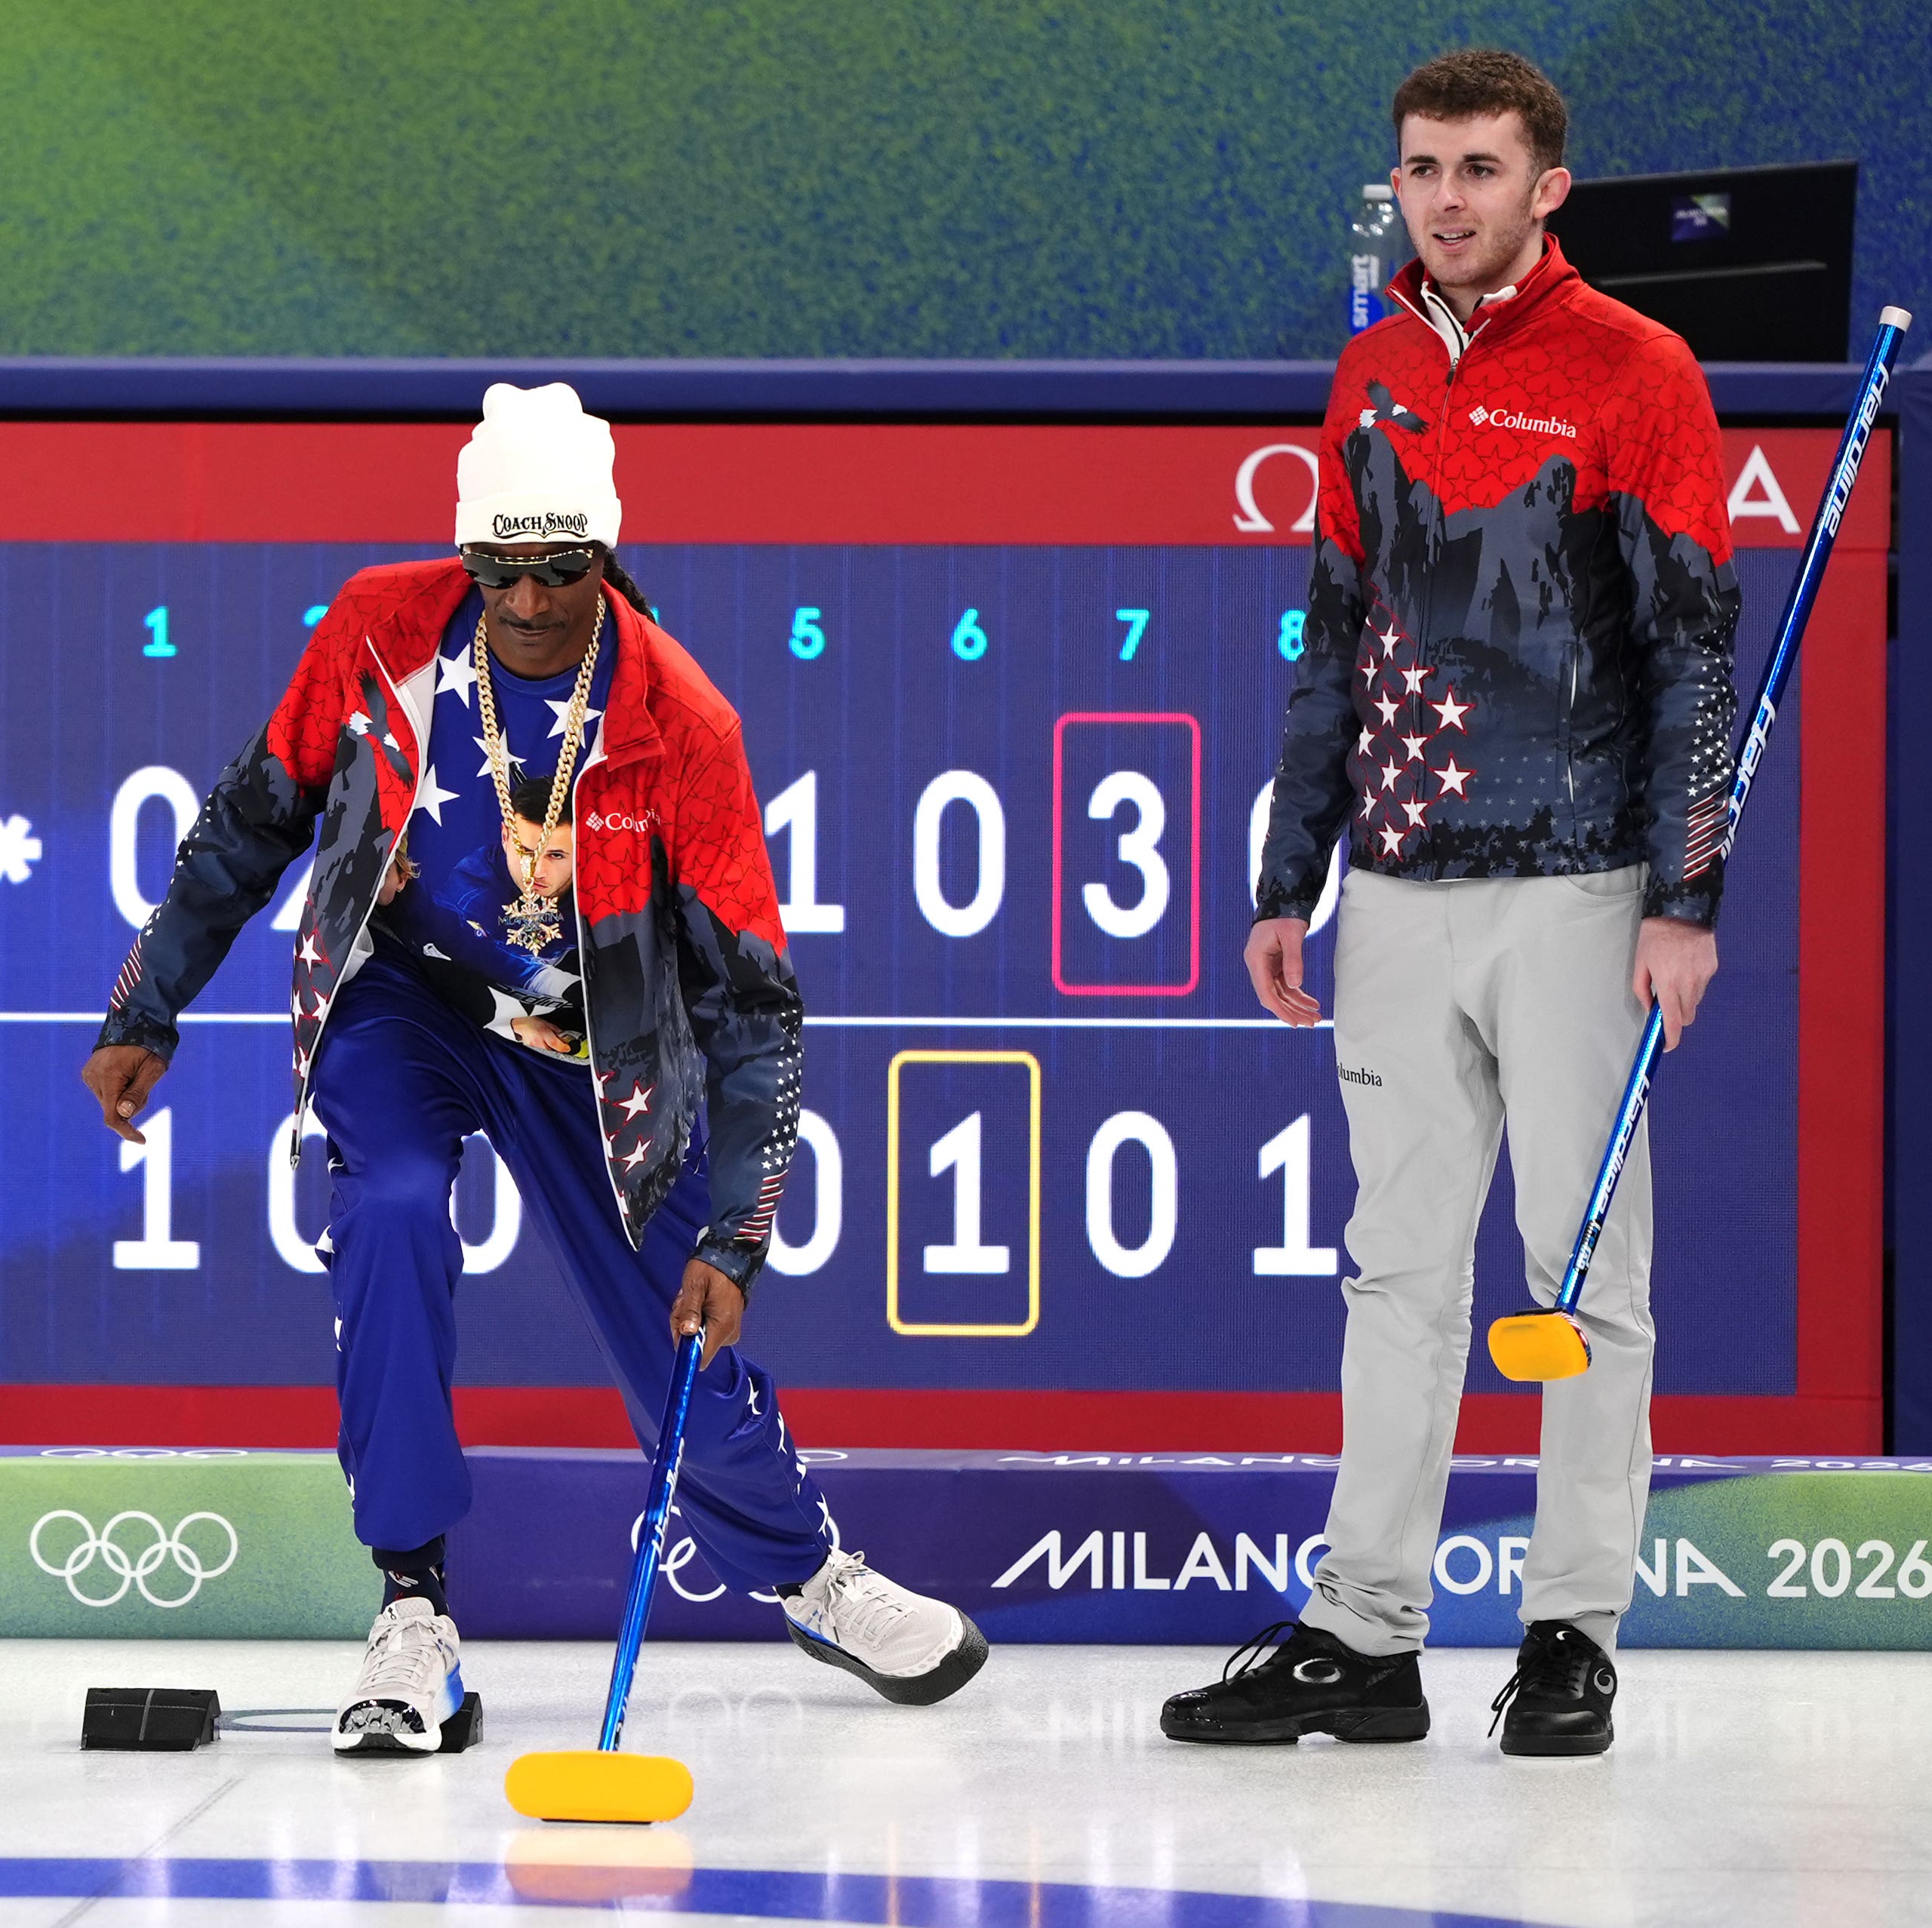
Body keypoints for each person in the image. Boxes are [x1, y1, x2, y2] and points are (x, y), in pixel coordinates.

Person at [83, 382, 985, 1754]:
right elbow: (252, 818)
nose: (530, 597)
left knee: (675, 1322)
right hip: (406, 1000)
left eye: (563, 567)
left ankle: (807, 1575)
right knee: (385, 1210)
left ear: (606, 555)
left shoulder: (683, 723)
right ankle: (412, 1608)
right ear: (471, 553)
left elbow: (755, 1004)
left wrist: (739, 1237)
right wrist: (148, 1005)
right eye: (503, 566)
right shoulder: (379, 629)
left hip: (595, 1045)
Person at [1161, 51, 1739, 1757]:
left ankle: (1568, 1635)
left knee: (1579, 1279)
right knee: (1392, 1274)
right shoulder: (1365, 375)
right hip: (1397, 898)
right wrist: (1293, 874)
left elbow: (1692, 652)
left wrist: (1682, 897)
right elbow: (1333, 631)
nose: (1447, 200)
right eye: (1421, 170)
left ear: (1545, 188)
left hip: (1577, 892)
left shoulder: (1636, 371)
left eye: (1479, 170)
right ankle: (1362, 1633)